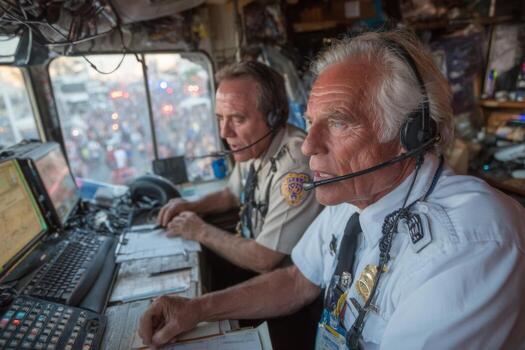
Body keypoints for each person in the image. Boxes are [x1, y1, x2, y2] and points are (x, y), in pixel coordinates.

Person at [140, 30, 525, 349]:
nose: (308, 146)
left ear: (412, 134)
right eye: (310, 122)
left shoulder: (469, 246)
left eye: (338, 122)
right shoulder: (354, 195)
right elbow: (296, 280)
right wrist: (197, 308)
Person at [157, 61, 322, 274]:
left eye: (237, 119)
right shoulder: (254, 147)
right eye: (220, 119)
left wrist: (199, 230)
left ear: (274, 118)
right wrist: (191, 206)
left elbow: (263, 258)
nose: (224, 133)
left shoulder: (295, 165)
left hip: (282, 284)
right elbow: (232, 194)